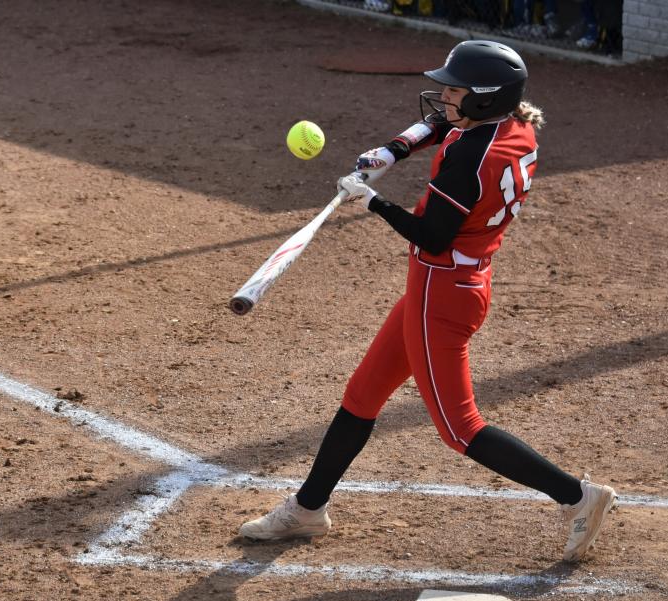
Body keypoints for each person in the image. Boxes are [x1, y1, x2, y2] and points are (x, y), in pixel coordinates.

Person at [239, 40, 617, 563]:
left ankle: (577, 497)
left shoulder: (468, 157)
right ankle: (308, 508)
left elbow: (432, 234)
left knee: (461, 430)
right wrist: (392, 151)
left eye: (454, 90)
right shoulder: (515, 126)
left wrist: (371, 200)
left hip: (440, 295)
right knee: (362, 394)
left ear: (483, 99)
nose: (442, 99)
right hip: (451, 286)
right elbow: (442, 126)